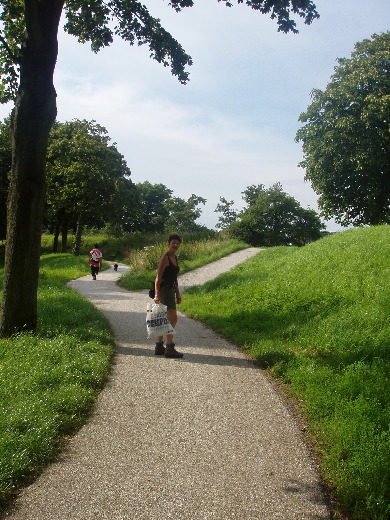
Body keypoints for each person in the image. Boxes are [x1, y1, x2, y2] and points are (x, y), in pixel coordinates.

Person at [154, 234, 183, 358]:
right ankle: (169, 347)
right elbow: (158, 277)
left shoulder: (174, 258)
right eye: (173, 243)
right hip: (164, 290)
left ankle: (159, 346)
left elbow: (174, 278)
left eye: (177, 243)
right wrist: (156, 294)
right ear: (168, 244)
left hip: (171, 290)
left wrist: (177, 293)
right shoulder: (165, 257)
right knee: (173, 318)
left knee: (163, 318)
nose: (175, 245)